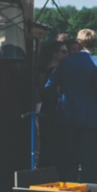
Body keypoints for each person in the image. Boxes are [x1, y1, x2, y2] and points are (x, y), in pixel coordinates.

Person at [45, 29, 97, 182]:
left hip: (67, 117)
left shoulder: (67, 62)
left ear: (79, 42)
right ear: (94, 43)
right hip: (89, 119)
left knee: (69, 160)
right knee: (88, 162)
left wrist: (60, 100)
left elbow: (49, 85)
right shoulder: (96, 64)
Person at [37, 40, 68, 169]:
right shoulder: (55, 71)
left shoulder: (41, 69)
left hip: (44, 110)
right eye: (63, 52)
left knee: (45, 147)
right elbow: (55, 92)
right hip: (53, 111)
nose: (67, 55)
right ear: (55, 54)